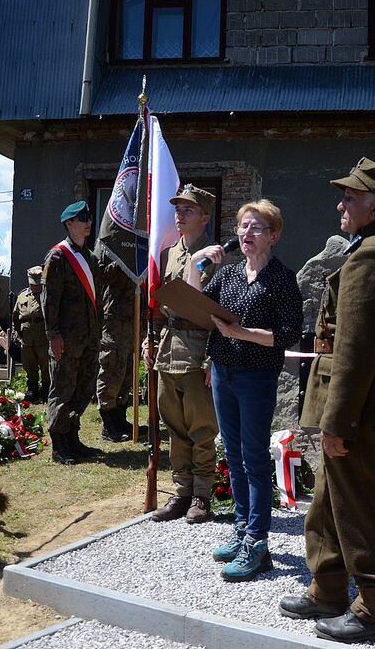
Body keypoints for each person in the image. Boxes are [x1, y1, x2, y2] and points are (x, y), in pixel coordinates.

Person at [280, 158, 375, 644]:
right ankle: (328, 587)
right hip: (363, 397)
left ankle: (374, 606)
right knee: (329, 499)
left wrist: (337, 422)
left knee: (363, 506)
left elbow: (356, 348)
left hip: (359, 403)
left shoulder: (374, 256)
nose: (340, 204)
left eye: (350, 197)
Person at [188, 199, 303, 581]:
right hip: (223, 372)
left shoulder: (283, 280)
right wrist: (195, 264)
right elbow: (195, 306)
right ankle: (241, 530)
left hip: (256, 378)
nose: (246, 234)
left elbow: (287, 336)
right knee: (234, 456)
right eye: (242, 227)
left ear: (274, 236)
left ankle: (257, 541)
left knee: (253, 458)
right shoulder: (231, 273)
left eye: (256, 228)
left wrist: (240, 333)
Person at [145, 184, 221, 524]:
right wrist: (150, 341)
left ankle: (202, 496)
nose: (179, 215)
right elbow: (161, 305)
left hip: (199, 348)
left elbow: (221, 312)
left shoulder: (217, 255)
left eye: (187, 210)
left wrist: (213, 358)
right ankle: (181, 492)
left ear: (204, 217)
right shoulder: (168, 254)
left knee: (201, 427)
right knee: (174, 425)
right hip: (168, 348)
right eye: (177, 209)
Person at [42, 200, 103, 464]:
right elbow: (49, 300)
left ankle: (73, 439)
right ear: (69, 223)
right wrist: (53, 334)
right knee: (63, 389)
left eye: (89, 218)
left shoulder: (89, 257)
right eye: (82, 218)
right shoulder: (58, 257)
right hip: (65, 339)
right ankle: (59, 444)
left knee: (83, 388)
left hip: (88, 337)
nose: (88, 222)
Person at [95, 253, 137, 443]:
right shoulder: (109, 249)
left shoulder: (140, 247)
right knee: (112, 370)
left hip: (133, 321)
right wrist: (121, 262)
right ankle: (108, 423)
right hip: (114, 322)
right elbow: (101, 276)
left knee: (127, 371)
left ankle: (120, 418)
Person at [13, 266, 50, 403]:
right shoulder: (22, 295)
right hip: (26, 338)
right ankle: (32, 390)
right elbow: (15, 317)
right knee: (29, 366)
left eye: (38, 284)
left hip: (44, 337)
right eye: (33, 284)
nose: (36, 287)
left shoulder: (48, 294)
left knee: (46, 366)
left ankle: (46, 390)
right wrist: (17, 335)